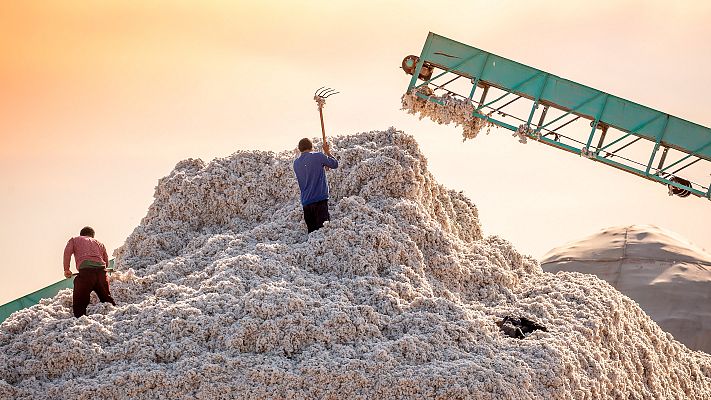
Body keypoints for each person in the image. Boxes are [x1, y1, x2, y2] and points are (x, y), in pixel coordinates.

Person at [63, 226, 116, 317]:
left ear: (81, 234)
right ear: (92, 236)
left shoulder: (74, 240)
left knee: (80, 300)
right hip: (101, 273)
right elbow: (106, 262)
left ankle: (80, 320)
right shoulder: (99, 243)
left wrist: (66, 269)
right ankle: (115, 315)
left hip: (86, 273)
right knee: (107, 298)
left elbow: (67, 253)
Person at [293, 138, 339, 233]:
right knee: (324, 232)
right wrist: (327, 152)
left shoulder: (296, 163)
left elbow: (309, 170)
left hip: (306, 202)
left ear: (299, 149)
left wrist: (322, 165)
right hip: (319, 200)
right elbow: (334, 164)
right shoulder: (318, 156)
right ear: (312, 147)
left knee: (312, 234)